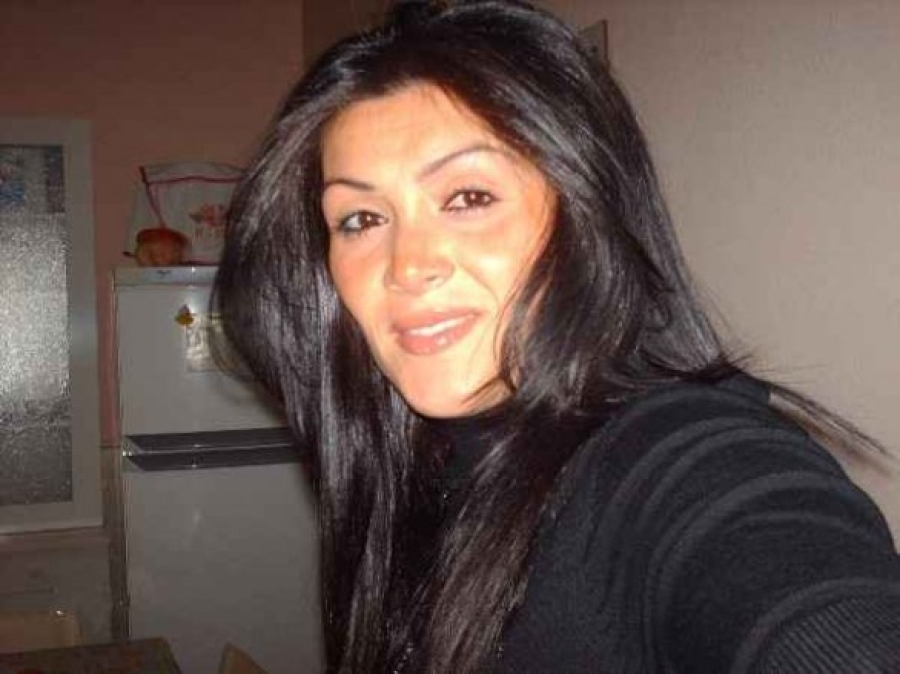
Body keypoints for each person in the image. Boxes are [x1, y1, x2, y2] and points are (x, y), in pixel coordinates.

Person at [213, 1, 900, 672]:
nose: (406, 266)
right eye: (361, 219)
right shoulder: (414, 471)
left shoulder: (683, 462)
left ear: (585, 218)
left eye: (469, 198)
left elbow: (795, 590)